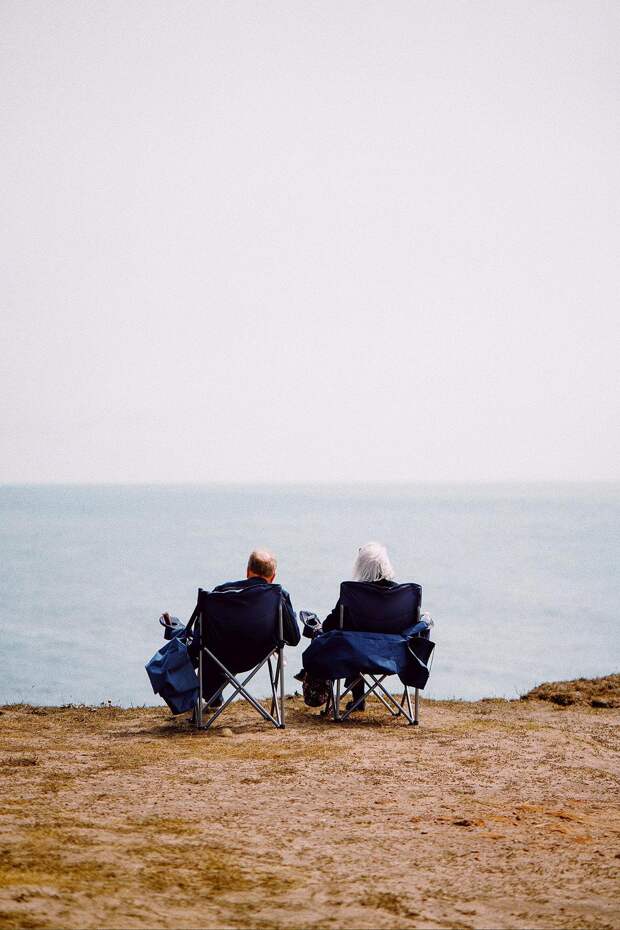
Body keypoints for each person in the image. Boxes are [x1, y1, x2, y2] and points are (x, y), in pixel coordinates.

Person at [164, 549, 299, 708]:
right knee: (214, 650)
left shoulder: (219, 594)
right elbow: (293, 638)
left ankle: (211, 696)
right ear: (273, 577)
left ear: (248, 571)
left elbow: (200, 637)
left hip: (219, 656)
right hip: (257, 655)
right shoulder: (279, 596)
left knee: (205, 649)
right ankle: (214, 696)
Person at [322, 541, 398, 712]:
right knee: (354, 639)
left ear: (360, 566)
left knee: (350, 640)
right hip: (392, 655)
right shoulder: (401, 594)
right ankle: (359, 700)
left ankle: (357, 699)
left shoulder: (352, 594)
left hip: (356, 655)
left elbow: (330, 625)